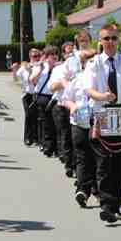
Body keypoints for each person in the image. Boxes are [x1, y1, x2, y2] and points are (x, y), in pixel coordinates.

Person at [86, 24, 121, 223]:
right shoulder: (94, 64)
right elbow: (89, 90)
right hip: (102, 115)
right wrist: (103, 96)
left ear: (118, 41)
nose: (110, 42)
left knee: (120, 165)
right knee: (104, 164)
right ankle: (107, 206)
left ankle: (116, 206)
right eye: (106, 39)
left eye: (113, 38)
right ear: (100, 42)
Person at [62, 49, 98, 207]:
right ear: (83, 65)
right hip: (79, 123)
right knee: (83, 157)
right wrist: (72, 106)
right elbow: (65, 99)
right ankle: (82, 191)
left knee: (98, 159)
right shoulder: (77, 80)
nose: (92, 66)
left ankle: (98, 191)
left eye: (94, 63)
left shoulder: (102, 79)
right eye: (89, 63)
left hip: (99, 124)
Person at [48, 42, 78, 177]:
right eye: (68, 53)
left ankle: (78, 164)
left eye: (73, 52)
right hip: (62, 106)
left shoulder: (82, 67)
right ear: (63, 55)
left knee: (77, 137)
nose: (70, 55)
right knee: (65, 135)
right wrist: (62, 82)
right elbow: (52, 87)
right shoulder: (58, 69)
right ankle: (69, 164)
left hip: (78, 107)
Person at [30, 46, 59, 157]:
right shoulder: (41, 67)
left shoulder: (59, 67)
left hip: (55, 97)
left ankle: (56, 148)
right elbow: (32, 80)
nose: (55, 57)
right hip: (43, 97)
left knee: (56, 123)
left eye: (56, 54)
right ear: (46, 57)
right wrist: (41, 70)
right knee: (46, 122)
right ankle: (48, 146)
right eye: (52, 55)